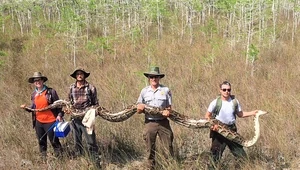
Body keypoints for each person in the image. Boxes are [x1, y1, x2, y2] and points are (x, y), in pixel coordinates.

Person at [205, 81, 258, 167]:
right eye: (224, 89)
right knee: (215, 156)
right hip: (218, 130)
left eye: (228, 90)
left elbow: (240, 114)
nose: (226, 92)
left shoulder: (234, 102)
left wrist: (253, 113)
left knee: (241, 155)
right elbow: (207, 116)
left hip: (231, 130)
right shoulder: (215, 102)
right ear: (220, 90)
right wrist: (212, 126)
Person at [136, 66, 174, 170]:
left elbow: (169, 107)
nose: (154, 79)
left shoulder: (166, 90)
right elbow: (138, 109)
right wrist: (139, 108)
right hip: (150, 123)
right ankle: (151, 168)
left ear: (159, 78)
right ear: (148, 78)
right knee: (150, 149)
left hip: (163, 123)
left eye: (156, 77)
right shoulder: (144, 91)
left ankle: (169, 167)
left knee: (168, 148)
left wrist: (168, 111)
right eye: (151, 77)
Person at [20, 72, 63, 162]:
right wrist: (26, 108)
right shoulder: (33, 94)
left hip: (51, 121)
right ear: (33, 83)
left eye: (39, 80)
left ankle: (61, 160)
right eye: (35, 80)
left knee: (54, 141)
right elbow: (34, 108)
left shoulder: (51, 92)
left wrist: (59, 115)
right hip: (38, 122)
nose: (37, 82)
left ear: (42, 80)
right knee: (41, 141)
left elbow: (59, 105)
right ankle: (43, 160)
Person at [67, 67, 101, 169]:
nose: (79, 75)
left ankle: (96, 163)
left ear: (84, 75)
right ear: (75, 76)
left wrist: (93, 112)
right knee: (77, 142)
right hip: (75, 119)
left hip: (87, 119)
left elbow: (96, 104)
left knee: (91, 142)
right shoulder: (71, 88)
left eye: (81, 73)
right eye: (77, 74)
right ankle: (80, 163)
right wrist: (68, 109)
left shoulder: (91, 87)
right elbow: (68, 101)